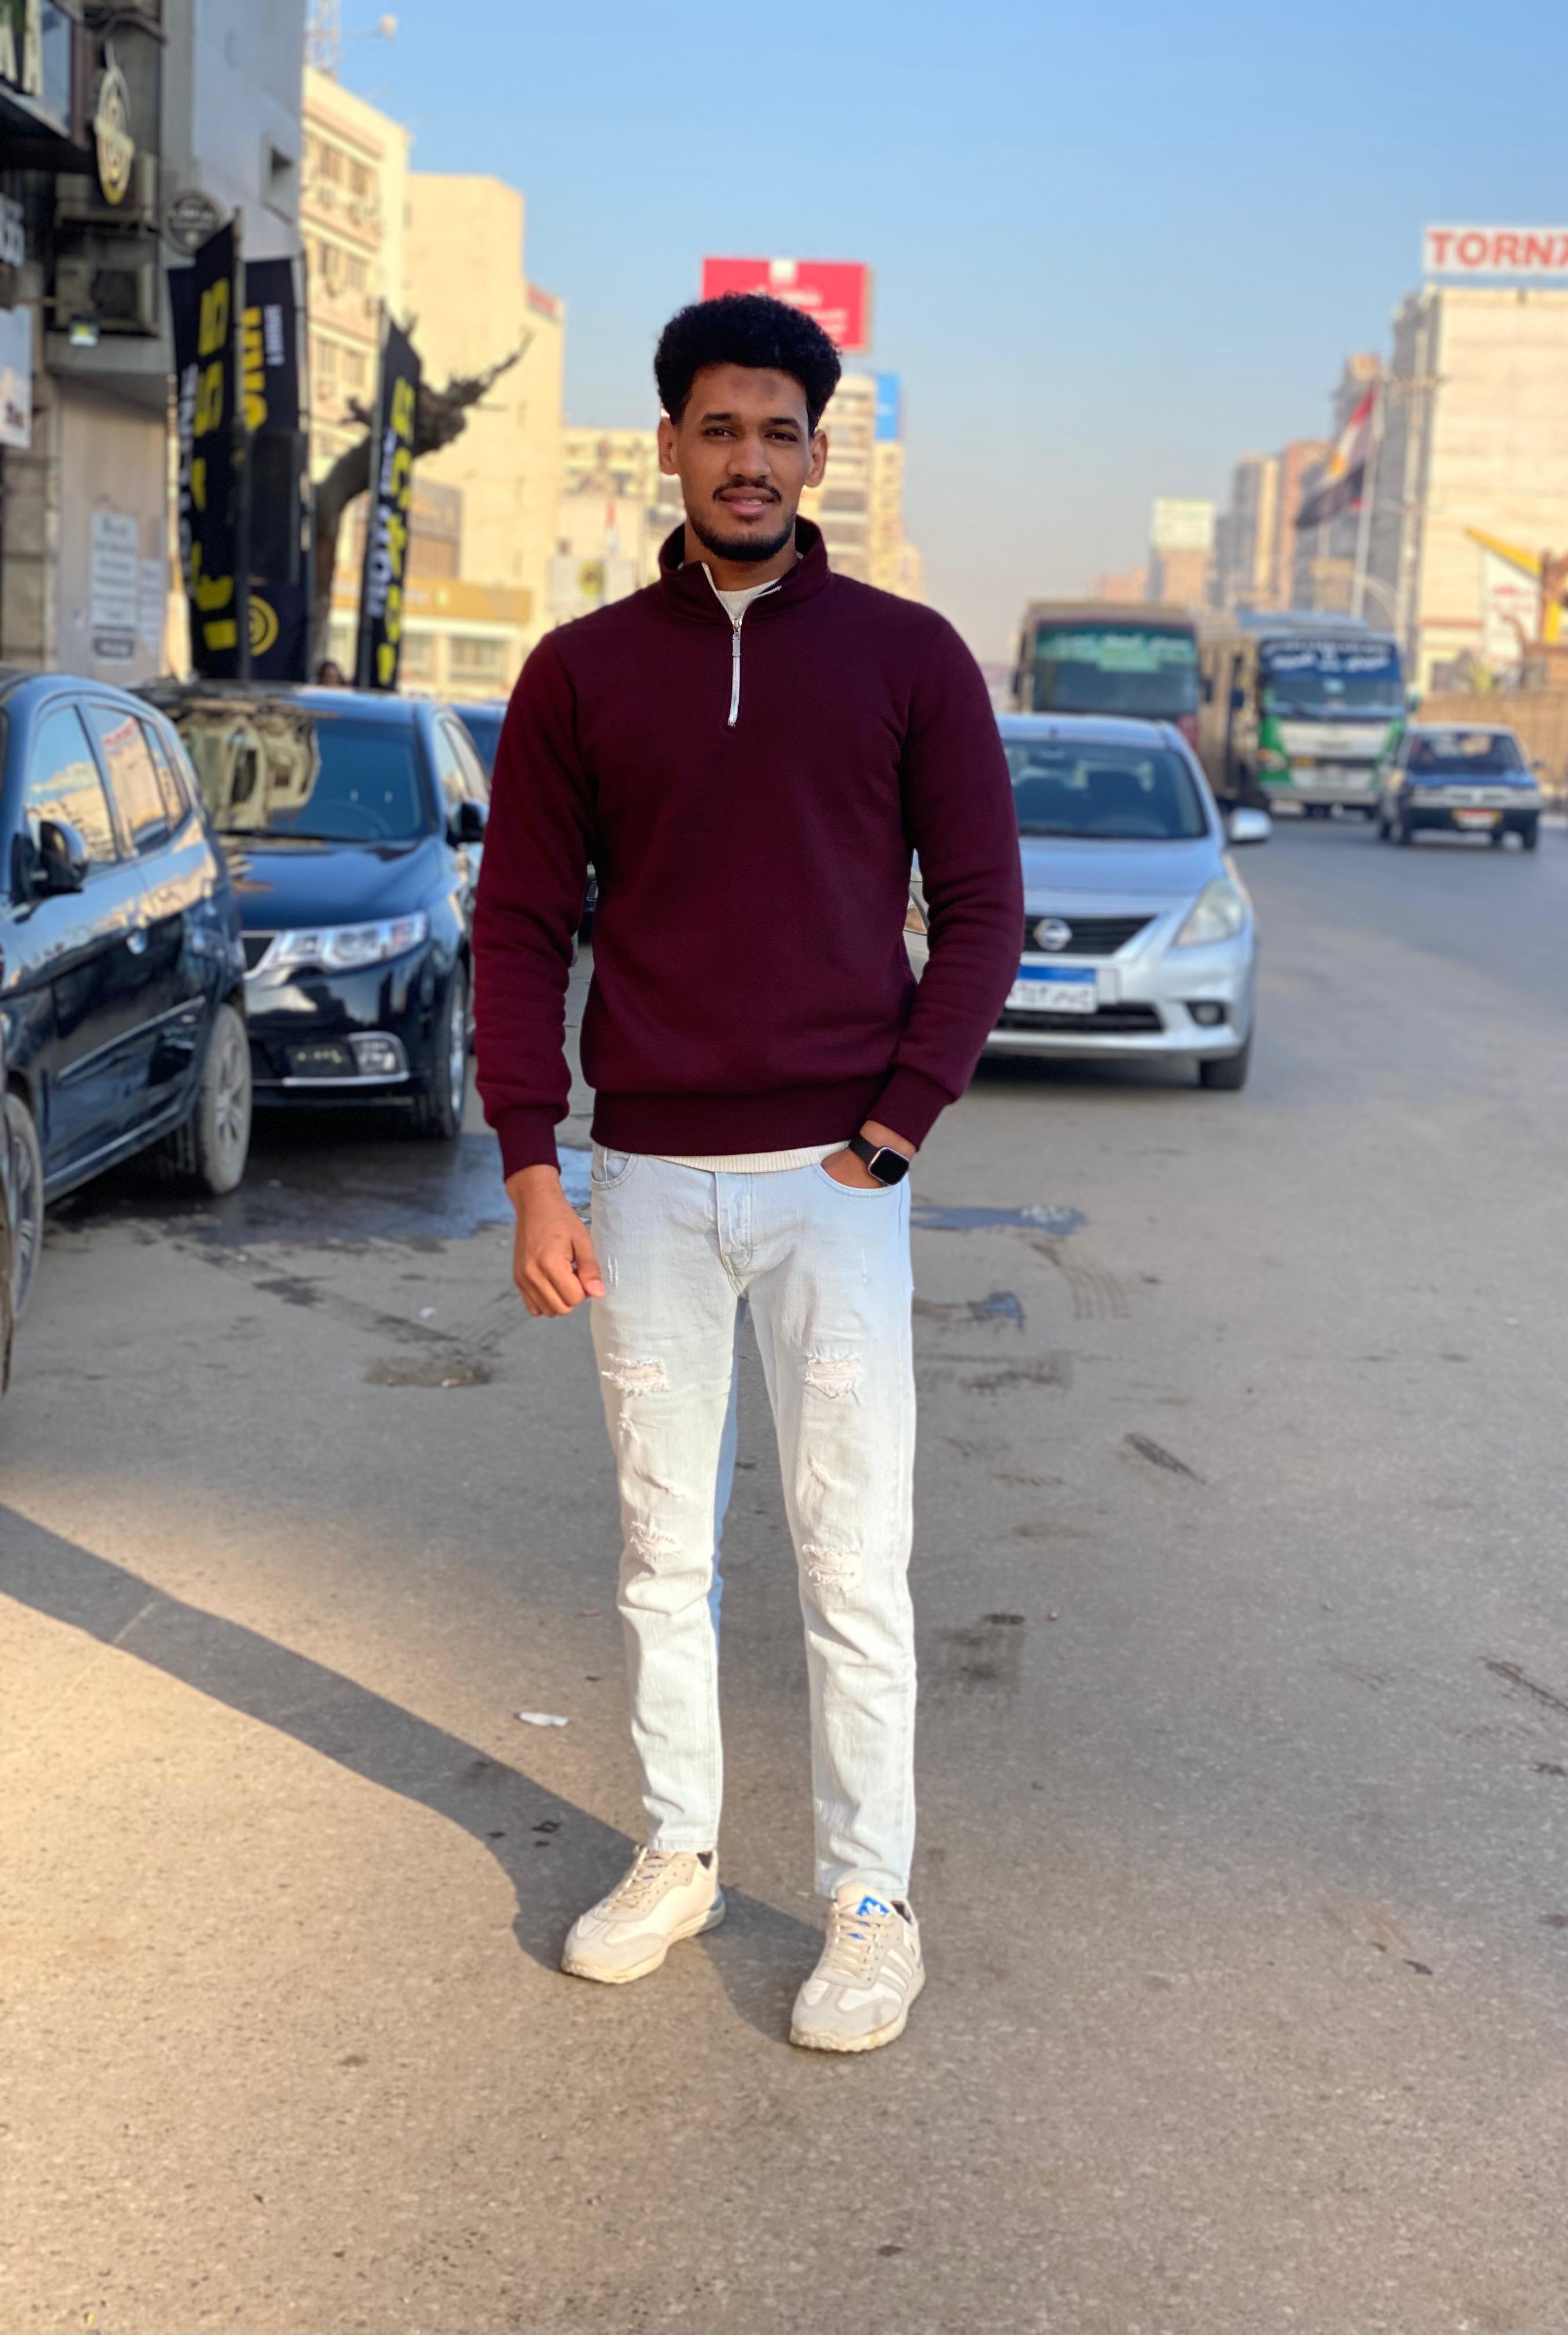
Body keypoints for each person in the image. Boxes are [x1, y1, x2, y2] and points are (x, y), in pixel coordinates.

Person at [472, 292, 1021, 2054]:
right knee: (662, 1553)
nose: (751, 460)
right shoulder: (581, 672)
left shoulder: (909, 658)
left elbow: (986, 912)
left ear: (818, 454)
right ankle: (680, 1852)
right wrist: (534, 1167)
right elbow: (518, 928)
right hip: (643, 1182)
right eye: (720, 428)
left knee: (852, 1561)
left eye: (781, 432)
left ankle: (871, 1903)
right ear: (670, 447)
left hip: (833, 1190)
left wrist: (898, 1122)